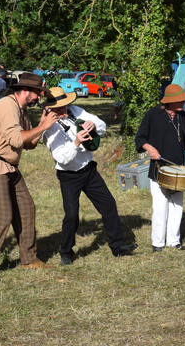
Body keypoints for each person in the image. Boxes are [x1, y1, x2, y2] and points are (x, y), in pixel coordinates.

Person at [0, 73, 59, 279]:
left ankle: (29, 260)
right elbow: (16, 140)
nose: (38, 97)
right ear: (25, 91)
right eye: (37, 93)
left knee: (27, 209)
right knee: (1, 217)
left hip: (10, 167)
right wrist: (43, 126)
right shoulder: (7, 105)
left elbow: (28, 144)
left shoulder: (22, 109)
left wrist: (41, 125)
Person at [41, 87, 138, 265]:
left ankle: (117, 246)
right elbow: (62, 159)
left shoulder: (75, 111)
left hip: (89, 170)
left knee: (109, 204)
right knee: (71, 215)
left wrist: (92, 125)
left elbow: (102, 126)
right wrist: (76, 142)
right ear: (50, 108)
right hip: (69, 176)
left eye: (65, 105)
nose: (63, 109)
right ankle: (66, 252)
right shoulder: (49, 129)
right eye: (58, 107)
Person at [135, 84, 185, 252]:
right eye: (180, 100)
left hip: (178, 169)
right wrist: (150, 149)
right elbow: (140, 138)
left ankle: (173, 241)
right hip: (158, 168)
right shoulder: (153, 115)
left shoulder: (183, 116)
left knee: (177, 206)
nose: (183, 102)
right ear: (170, 101)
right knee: (160, 207)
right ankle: (158, 243)